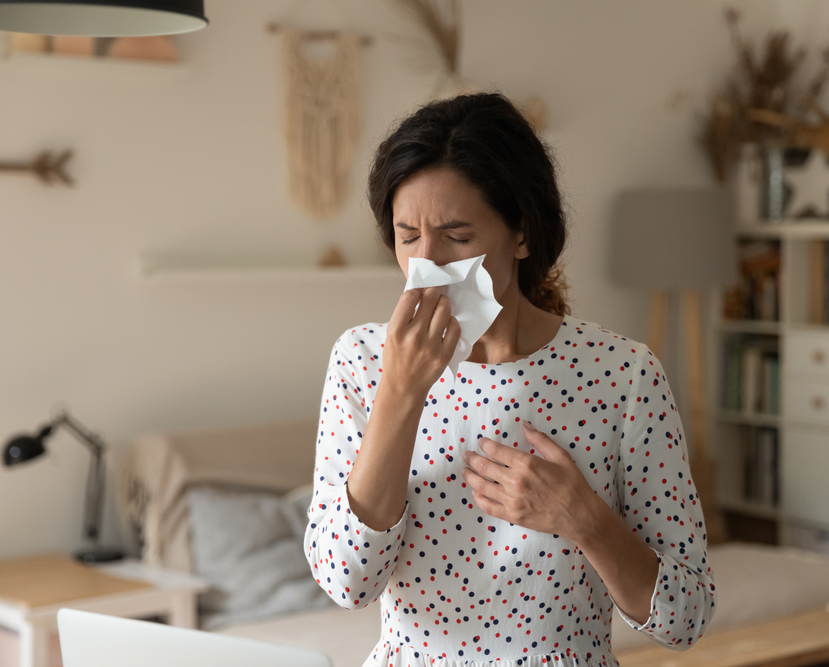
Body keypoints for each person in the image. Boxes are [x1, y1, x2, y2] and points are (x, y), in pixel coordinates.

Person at [305, 93, 715, 667]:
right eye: (408, 237)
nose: (430, 265)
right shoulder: (363, 362)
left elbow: (686, 616)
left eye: (458, 237)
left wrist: (587, 520)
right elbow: (346, 583)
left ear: (520, 233)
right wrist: (400, 394)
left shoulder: (622, 375)